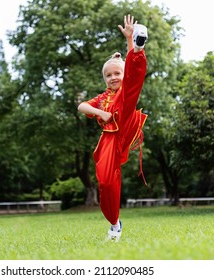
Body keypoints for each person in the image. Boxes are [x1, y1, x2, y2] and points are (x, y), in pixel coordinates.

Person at [77, 14, 148, 241]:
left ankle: (139, 47)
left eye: (117, 73)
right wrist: (100, 113)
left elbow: (130, 77)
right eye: (109, 75)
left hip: (125, 116)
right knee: (105, 181)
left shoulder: (123, 87)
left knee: (130, 88)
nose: (113, 77)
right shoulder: (102, 97)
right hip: (109, 137)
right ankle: (115, 224)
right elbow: (81, 106)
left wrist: (130, 41)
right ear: (105, 79)